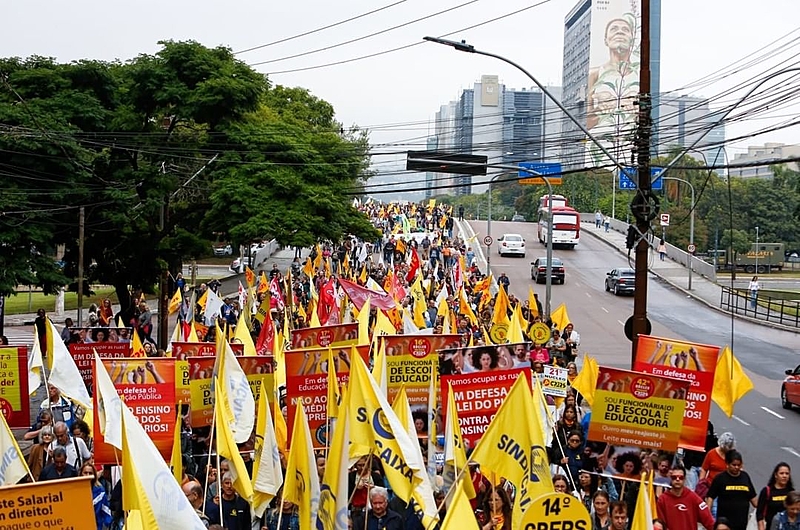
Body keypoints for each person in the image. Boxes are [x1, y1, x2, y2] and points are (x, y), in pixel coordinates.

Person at [706, 450, 758, 530]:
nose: (736, 467)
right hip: (724, 525)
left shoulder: (745, 477)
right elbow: (710, 497)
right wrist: (708, 516)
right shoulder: (720, 478)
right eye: (734, 465)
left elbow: (753, 498)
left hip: (741, 524)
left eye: (739, 465)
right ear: (727, 464)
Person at [656, 466, 715, 530]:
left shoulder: (694, 498)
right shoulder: (662, 500)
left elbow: (709, 521)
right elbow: (660, 525)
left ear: (685, 479)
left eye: (681, 477)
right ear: (670, 478)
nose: (677, 479)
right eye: (674, 477)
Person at [757, 463, 795, 530]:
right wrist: (761, 527)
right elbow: (760, 513)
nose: (784, 476)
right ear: (776, 475)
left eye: (787, 473)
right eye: (781, 473)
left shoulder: (791, 492)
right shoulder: (767, 491)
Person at [81, 462, 113, 530]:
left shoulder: (100, 492)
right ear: (81, 474)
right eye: (85, 473)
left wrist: (106, 525)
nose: (88, 475)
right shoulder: (75, 492)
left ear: (94, 475)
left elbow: (106, 512)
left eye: (90, 473)